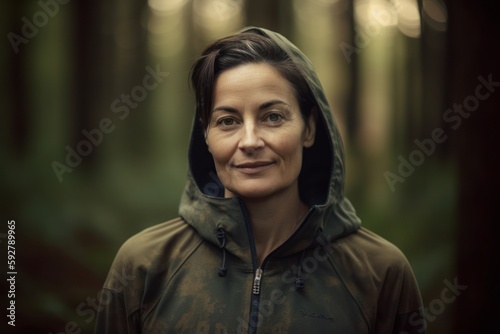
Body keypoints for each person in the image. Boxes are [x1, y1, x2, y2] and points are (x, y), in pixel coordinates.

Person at [94, 27, 425, 334]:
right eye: (227, 121)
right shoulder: (143, 265)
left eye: (273, 117)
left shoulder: (380, 273)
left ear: (309, 129)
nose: (250, 141)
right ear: (205, 137)